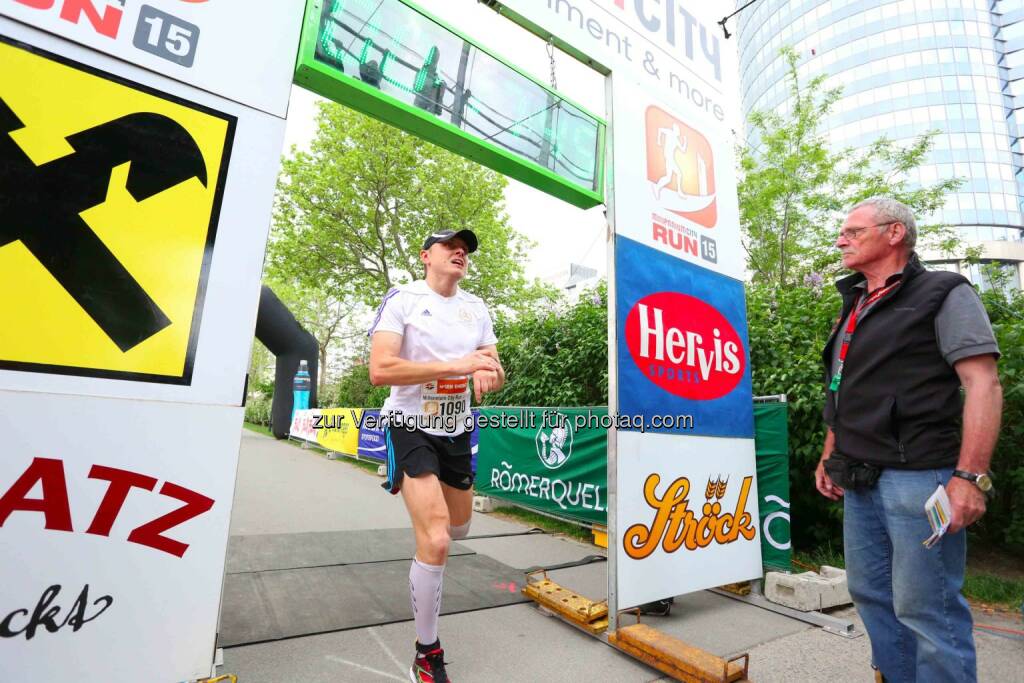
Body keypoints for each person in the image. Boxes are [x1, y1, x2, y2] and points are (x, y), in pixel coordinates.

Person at [815, 197, 1002, 683]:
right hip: (859, 478)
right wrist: (830, 452)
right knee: (872, 595)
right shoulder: (854, 303)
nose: (841, 240)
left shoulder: (944, 292)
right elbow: (843, 385)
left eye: (853, 231)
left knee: (927, 609)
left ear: (894, 232)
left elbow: (982, 384)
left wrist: (969, 477)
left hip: (920, 479)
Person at [368, 228, 504, 683]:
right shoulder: (403, 299)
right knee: (438, 539)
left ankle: (429, 531)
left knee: (459, 528)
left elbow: (492, 364)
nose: (461, 252)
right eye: (451, 245)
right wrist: (457, 366)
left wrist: (489, 373)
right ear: (427, 255)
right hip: (409, 425)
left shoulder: (476, 308)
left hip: (457, 430)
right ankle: (427, 653)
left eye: (465, 248)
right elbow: (380, 370)